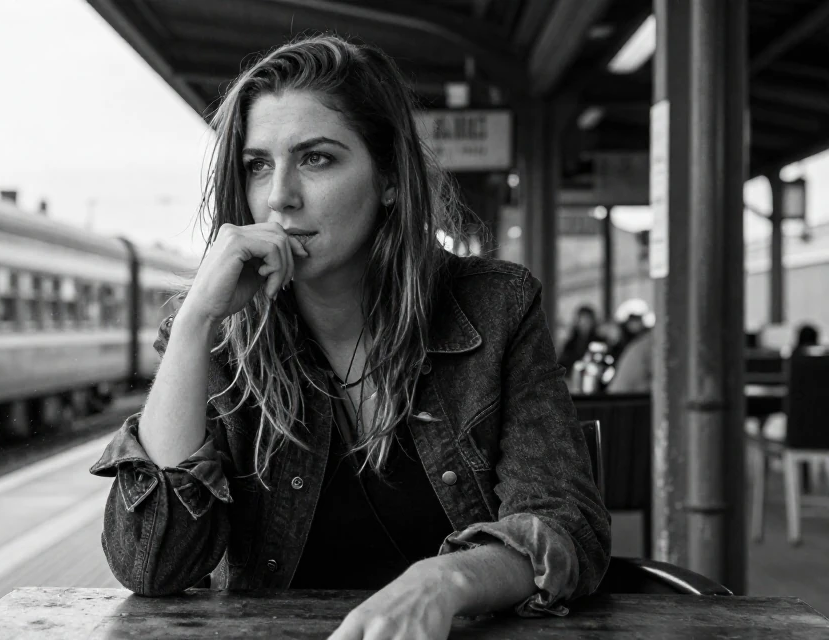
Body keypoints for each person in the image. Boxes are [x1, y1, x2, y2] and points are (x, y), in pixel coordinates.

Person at [90, 34, 609, 639]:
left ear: (389, 177)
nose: (279, 196)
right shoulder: (222, 336)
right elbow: (149, 565)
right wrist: (195, 324)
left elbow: (568, 527)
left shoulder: (495, 308)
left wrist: (442, 581)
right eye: (258, 165)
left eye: (316, 158)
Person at [558, 305, 598, 373]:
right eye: (582, 320)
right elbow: (562, 362)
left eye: (587, 320)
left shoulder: (598, 341)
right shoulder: (571, 342)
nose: (584, 324)